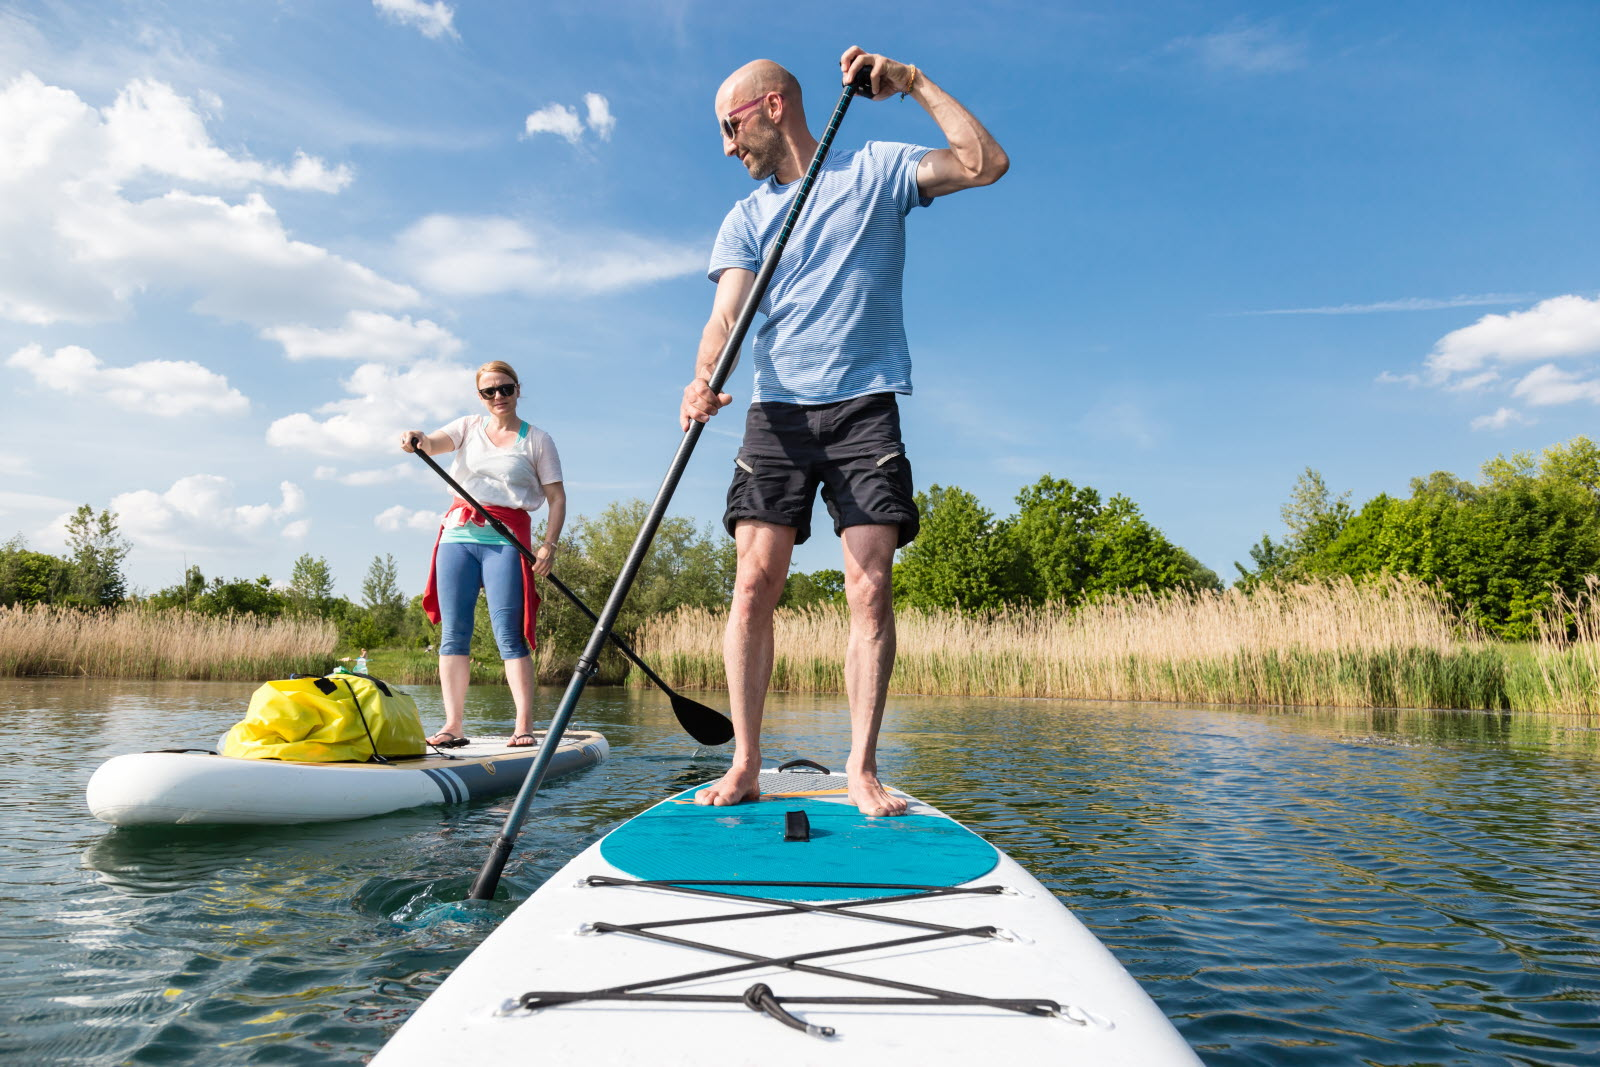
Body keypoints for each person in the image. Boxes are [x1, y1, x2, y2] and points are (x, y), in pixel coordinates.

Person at [682, 47, 1007, 815]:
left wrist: (915, 82)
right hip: (777, 413)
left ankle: (861, 767)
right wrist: (703, 377)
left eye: (730, 127)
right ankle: (747, 763)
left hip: (864, 407)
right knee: (754, 584)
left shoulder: (875, 173)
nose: (728, 148)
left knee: (869, 587)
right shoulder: (749, 215)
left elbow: (984, 162)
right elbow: (725, 315)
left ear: (769, 105)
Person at [400, 360, 565, 749]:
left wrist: (549, 546)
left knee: (509, 634)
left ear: (517, 389)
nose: (498, 397)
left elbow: (556, 499)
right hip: (456, 537)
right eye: (489, 391)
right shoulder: (467, 427)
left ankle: (523, 726)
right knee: (454, 634)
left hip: (505, 541)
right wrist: (416, 438)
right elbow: (431, 443)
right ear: (480, 396)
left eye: (505, 389)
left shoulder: (537, 440)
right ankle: (453, 725)